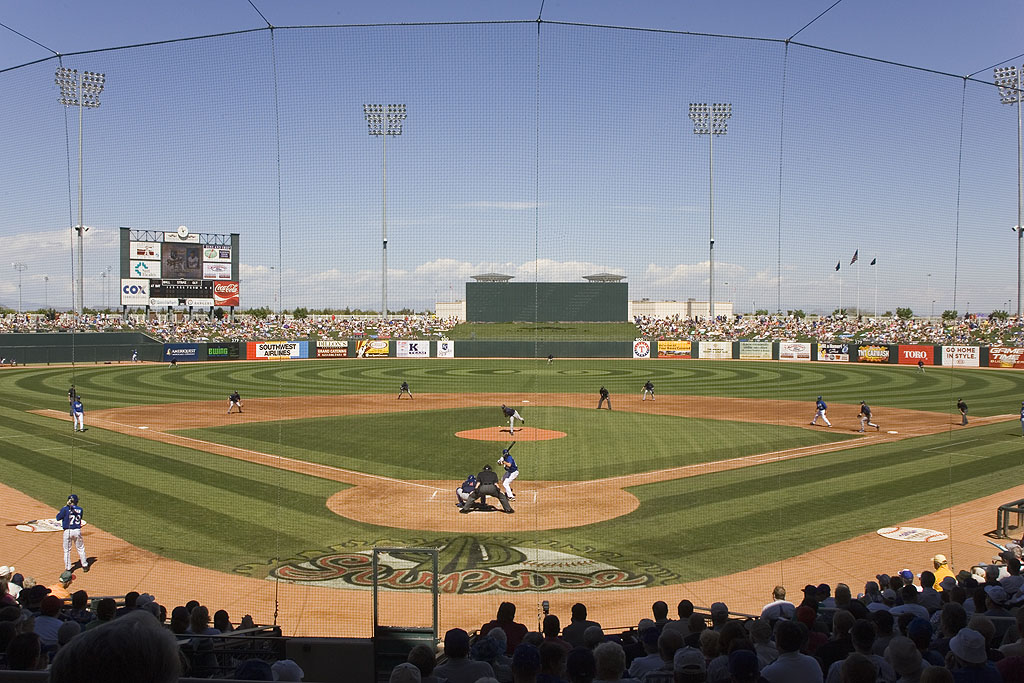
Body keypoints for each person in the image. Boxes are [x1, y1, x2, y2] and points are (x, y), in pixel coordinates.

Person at [57, 494, 89, 573]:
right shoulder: (80, 509)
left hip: (68, 531)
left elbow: (58, 518)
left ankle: (68, 569)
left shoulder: (65, 509)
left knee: (67, 550)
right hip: (77, 531)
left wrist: (65, 507)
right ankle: (85, 565)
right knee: (81, 548)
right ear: (76, 501)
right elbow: (80, 517)